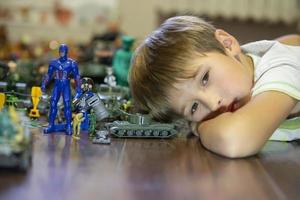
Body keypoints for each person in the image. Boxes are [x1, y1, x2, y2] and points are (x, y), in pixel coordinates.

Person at [129, 16, 300, 158]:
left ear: (227, 44)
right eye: (194, 107)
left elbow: (236, 140)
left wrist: (201, 127)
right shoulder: (242, 73)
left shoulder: (281, 67)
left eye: (204, 79)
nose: (213, 104)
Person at [41, 44, 81, 135]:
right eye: (60, 51)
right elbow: (48, 75)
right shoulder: (54, 62)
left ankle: (68, 125)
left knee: (67, 104)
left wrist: (78, 89)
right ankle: (51, 125)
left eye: (63, 51)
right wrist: (44, 84)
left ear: (66, 52)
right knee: (53, 102)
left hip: (66, 84)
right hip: (57, 84)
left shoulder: (72, 63)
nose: (62, 53)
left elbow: (77, 77)